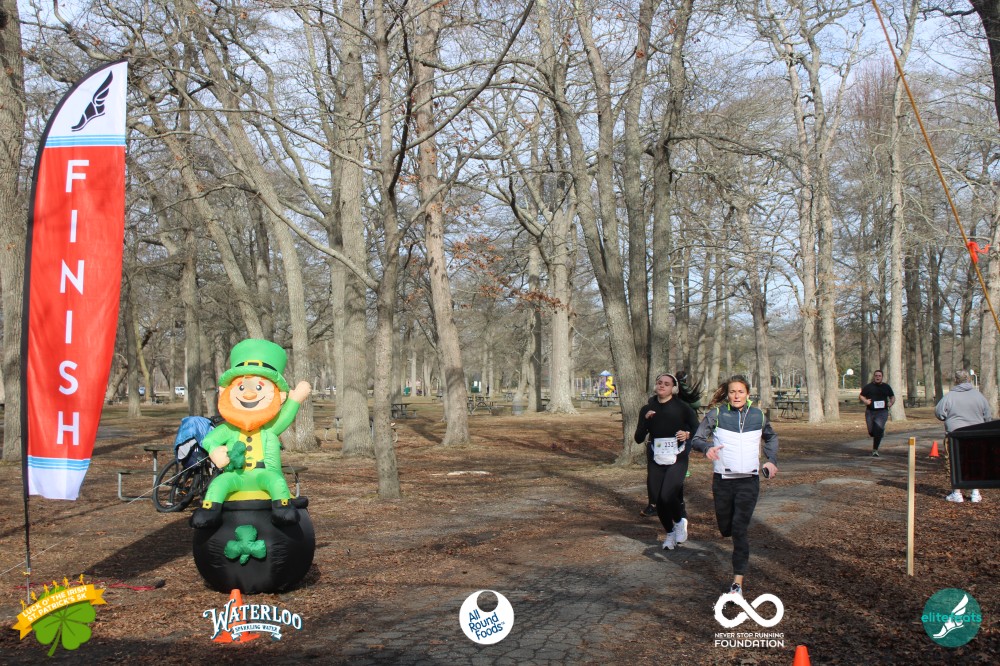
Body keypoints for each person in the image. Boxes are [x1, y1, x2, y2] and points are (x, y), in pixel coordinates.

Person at [191, 339, 312, 529]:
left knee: (276, 482)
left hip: (264, 474)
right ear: (226, 392)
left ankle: (282, 508)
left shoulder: (269, 428)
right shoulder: (230, 429)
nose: (249, 394)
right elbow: (209, 439)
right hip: (236, 475)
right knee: (219, 483)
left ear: (279, 396)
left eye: (258, 387)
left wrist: (296, 399)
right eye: (241, 388)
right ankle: (209, 511)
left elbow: (285, 417)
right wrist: (214, 450)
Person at [691, 375, 778, 597]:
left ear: (747, 394)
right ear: (727, 394)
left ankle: (737, 584)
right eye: (732, 392)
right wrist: (707, 448)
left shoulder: (758, 416)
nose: (736, 395)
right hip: (723, 481)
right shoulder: (717, 414)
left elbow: (771, 438)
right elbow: (697, 439)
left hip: (749, 481)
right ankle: (729, 533)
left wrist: (771, 460)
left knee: (740, 529)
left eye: (740, 392)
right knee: (726, 528)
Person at [634, 373, 700, 550]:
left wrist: (687, 434)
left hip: (677, 457)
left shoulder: (682, 407)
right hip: (656, 457)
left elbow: (698, 428)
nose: (662, 386)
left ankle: (679, 521)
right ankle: (670, 533)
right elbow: (638, 438)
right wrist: (645, 421)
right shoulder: (647, 408)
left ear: (673, 388)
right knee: (658, 500)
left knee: (667, 495)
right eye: (659, 383)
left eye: (666, 384)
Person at [935, 369, 991, 503]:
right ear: (969, 380)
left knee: (954, 462)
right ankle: (975, 492)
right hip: (975, 434)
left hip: (955, 434)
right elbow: (987, 416)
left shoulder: (949, 396)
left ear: (956, 380)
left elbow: (939, 413)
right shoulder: (979, 396)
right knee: (975, 461)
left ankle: (957, 493)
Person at [859, 369, 895, 457]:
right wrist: (865, 401)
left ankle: (875, 450)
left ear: (882, 377)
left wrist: (891, 403)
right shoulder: (868, 387)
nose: (877, 377)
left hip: (882, 412)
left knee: (878, 429)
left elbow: (892, 397)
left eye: (879, 376)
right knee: (871, 432)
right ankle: (880, 432)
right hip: (870, 412)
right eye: (876, 376)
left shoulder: (886, 387)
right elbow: (861, 395)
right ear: (874, 377)